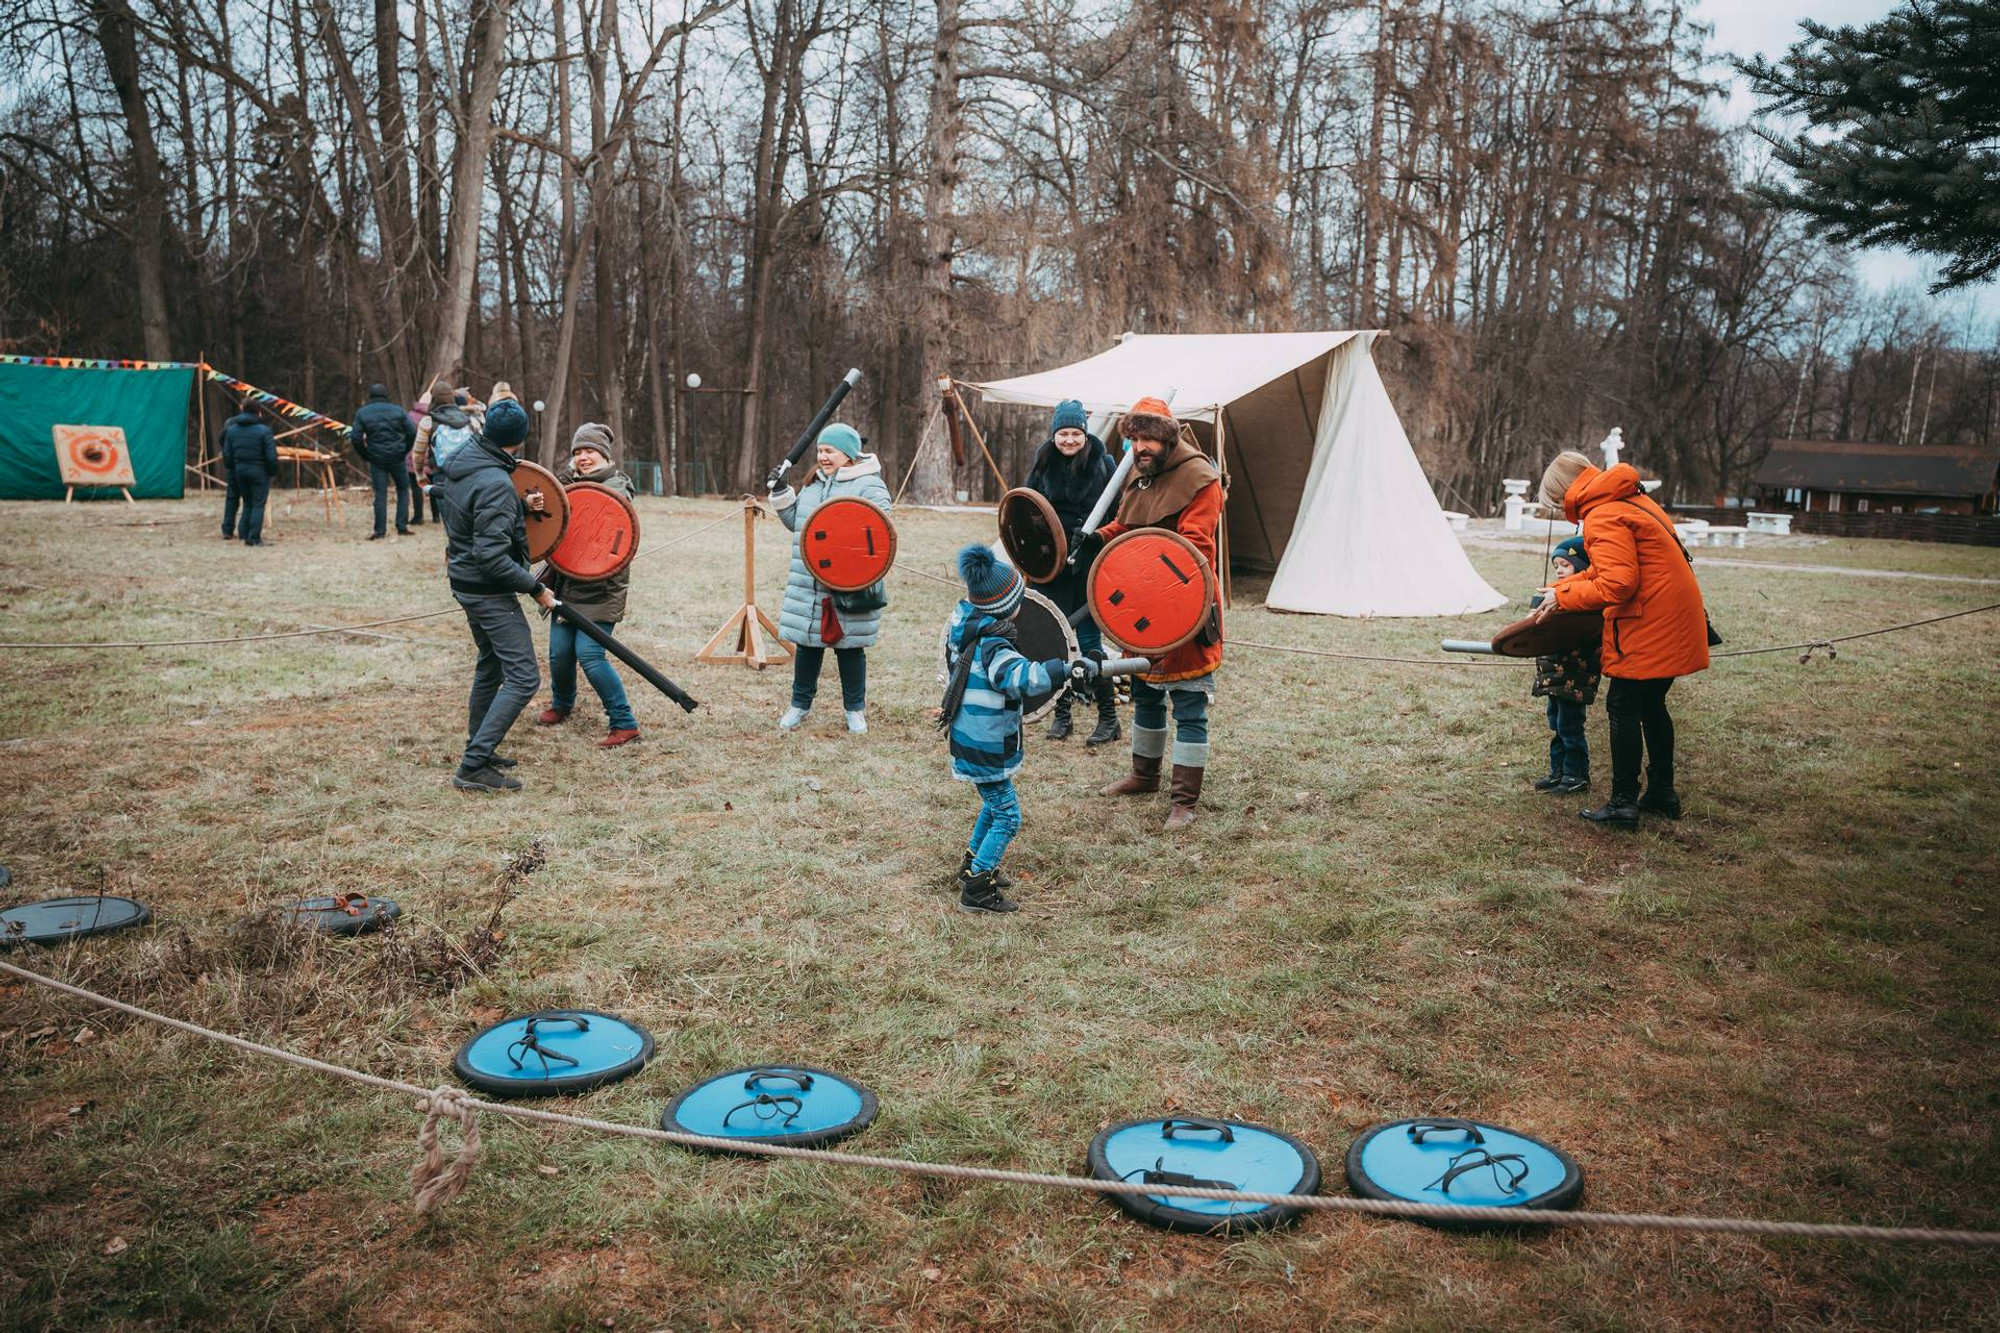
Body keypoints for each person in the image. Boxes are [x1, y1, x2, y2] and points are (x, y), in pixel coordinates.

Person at [1532, 449, 1710, 828]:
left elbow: (1618, 583)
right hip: (1674, 619)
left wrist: (1563, 596)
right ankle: (1662, 792)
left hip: (1651, 625)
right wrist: (1560, 587)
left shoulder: (1604, 514)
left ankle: (1622, 804)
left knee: (1623, 707)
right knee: (1651, 706)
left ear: (1565, 491)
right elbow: (1609, 567)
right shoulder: (1629, 499)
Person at [1069, 397, 1223, 830]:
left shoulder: (1200, 479)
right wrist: (1097, 538)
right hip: (1139, 607)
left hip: (1182, 611)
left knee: (1189, 704)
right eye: (1134, 438)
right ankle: (1143, 775)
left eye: (1148, 437)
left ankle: (1184, 801)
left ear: (1168, 436)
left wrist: (1160, 581)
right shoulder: (1140, 472)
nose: (1140, 446)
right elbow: (1126, 524)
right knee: (1146, 694)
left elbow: (1195, 550)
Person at [940, 543, 1089, 914]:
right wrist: (1061, 669)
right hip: (985, 743)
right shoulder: (994, 646)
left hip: (973, 737)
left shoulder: (968, 627)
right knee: (1009, 816)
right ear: (1006, 607)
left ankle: (972, 864)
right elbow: (1022, 678)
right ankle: (978, 886)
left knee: (994, 806)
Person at [433, 393, 554, 792]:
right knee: (523, 676)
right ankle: (473, 766)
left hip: (464, 582)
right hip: (487, 589)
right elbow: (492, 557)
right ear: (520, 439)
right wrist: (536, 588)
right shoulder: (496, 482)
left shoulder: (465, 462)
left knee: (492, 664)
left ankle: (479, 744)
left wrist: (519, 505)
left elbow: (472, 515)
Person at [771, 423, 893, 734]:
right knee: (808, 646)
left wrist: (842, 555)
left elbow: (879, 533)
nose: (823, 457)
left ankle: (855, 710)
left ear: (848, 454)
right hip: (809, 583)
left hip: (849, 585)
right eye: (821, 450)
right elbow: (798, 524)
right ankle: (799, 706)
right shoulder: (814, 484)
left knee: (849, 649)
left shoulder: (869, 486)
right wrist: (781, 492)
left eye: (830, 451)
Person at [1023, 398, 1122, 745]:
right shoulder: (1042, 463)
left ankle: (1108, 718)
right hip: (1050, 565)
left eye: (1075, 433)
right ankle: (1061, 715)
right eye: (1062, 433)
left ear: (1085, 433)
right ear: (1054, 435)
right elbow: (1027, 508)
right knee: (1052, 638)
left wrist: (1094, 537)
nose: (1068, 440)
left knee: (1090, 640)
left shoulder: (1103, 464)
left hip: (1088, 563)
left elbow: (1117, 513)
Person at [536, 423, 641, 748]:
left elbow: (610, 529)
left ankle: (624, 723)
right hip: (567, 583)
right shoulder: (572, 484)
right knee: (559, 653)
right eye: (578, 452)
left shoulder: (616, 488)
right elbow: (553, 495)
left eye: (590, 451)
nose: (583, 457)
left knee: (590, 654)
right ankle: (563, 703)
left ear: (604, 455)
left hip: (601, 587)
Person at [1532, 537, 1599, 796]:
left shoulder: (1582, 599)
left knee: (1570, 725)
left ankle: (1575, 774)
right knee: (1556, 723)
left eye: (1566, 565)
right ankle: (1557, 771)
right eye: (1557, 565)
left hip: (1575, 672)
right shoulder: (1552, 594)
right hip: (1553, 672)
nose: (1559, 570)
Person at [350, 383, 418, 539]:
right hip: (397, 456)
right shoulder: (398, 410)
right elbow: (412, 431)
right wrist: (404, 450)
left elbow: (355, 438)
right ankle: (402, 526)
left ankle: (380, 531)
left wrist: (366, 454)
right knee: (402, 489)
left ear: (371, 397)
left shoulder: (363, 413)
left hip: (376, 458)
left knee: (380, 494)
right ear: (386, 395)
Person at [219, 401, 278, 546]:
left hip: (240, 471)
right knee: (258, 504)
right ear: (259, 412)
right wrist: (271, 472)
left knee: (247, 503)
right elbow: (271, 456)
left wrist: (233, 466)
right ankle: (253, 538)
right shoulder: (264, 431)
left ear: (243, 410)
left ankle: (244, 533)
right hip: (259, 471)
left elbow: (227, 453)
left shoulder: (232, 429)